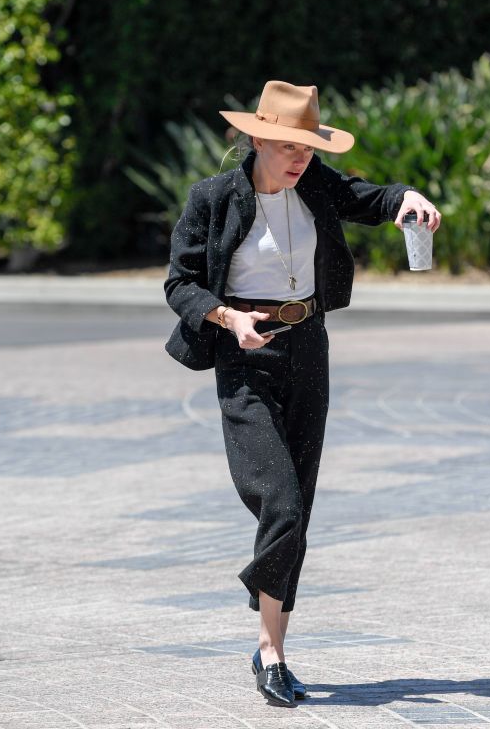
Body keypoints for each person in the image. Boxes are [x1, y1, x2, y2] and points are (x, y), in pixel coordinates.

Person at [164, 80, 441, 706]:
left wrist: (408, 201)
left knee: (300, 509)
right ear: (257, 138)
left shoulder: (314, 184)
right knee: (281, 502)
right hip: (245, 354)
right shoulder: (212, 199)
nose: (302, 159)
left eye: (309, 148)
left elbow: (373, 198)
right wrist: (226, 318)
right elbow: (179, 284)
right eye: (290, 147)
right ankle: (265, 623)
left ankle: (272, 654)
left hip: (307, 349)